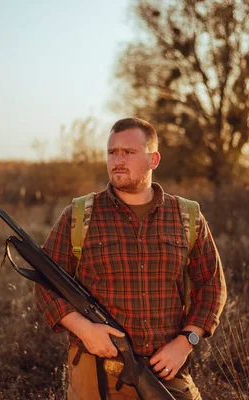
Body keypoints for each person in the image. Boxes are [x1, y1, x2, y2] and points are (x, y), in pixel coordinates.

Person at [35, 117, 227, 399]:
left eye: (129, 152)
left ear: (154, 159)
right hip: (95, 368)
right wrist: (85, 329)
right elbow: (44, 282)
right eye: (112, 152)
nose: (118, 160)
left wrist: (186, 342)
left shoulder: (187, 217)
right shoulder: (79, 216)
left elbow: (212, 286)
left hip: (165, 368)